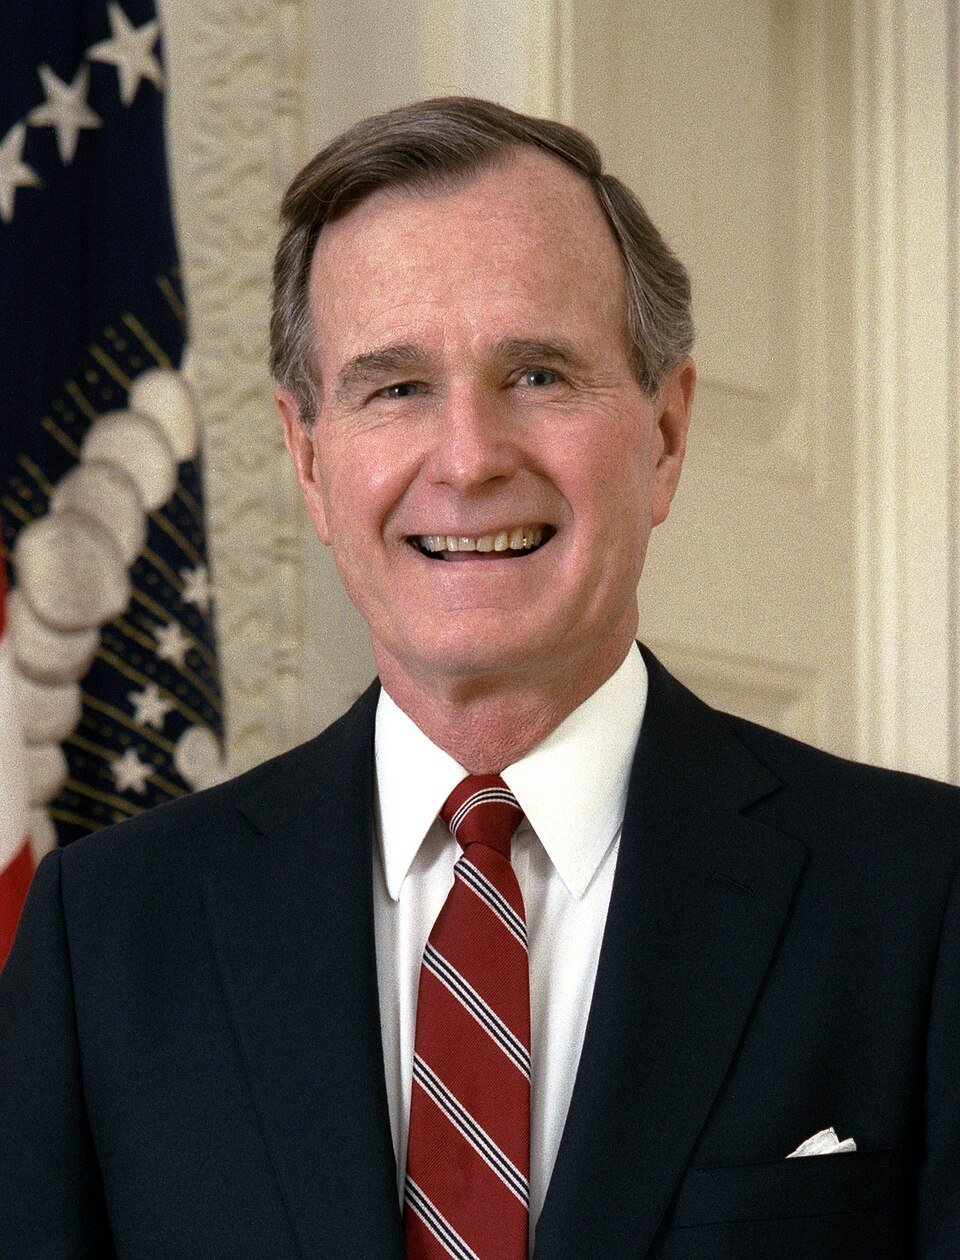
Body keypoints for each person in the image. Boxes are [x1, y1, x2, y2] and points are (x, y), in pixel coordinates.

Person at [1, 96, 958, 1260]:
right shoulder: (104, 937)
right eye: (394, 387)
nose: (468, 458)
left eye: (540, 374)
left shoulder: (922, 896)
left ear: (663, 433)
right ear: (308, 458)